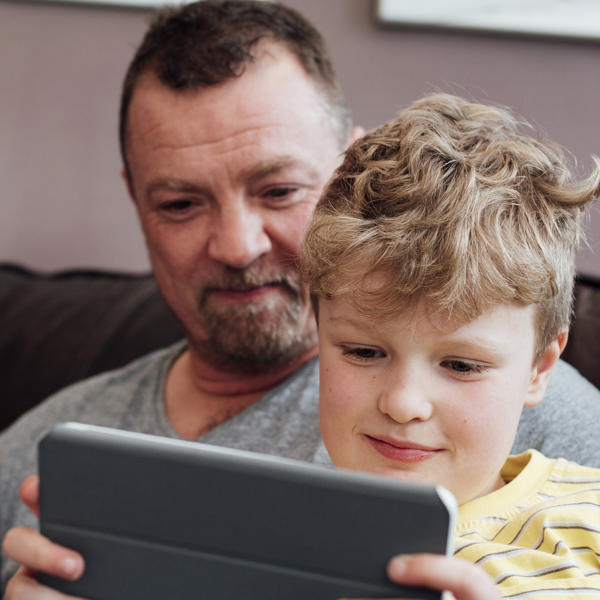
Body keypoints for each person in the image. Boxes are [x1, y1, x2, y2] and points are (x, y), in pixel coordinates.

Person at [0, 0, 599, 596]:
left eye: (279, 189)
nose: (237, 245)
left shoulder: (542, 428)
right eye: (180, 203)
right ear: (135, 201)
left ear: (344, 173)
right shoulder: (42, 445)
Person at [300, 92, 600, 598]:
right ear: (319, 330)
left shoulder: (588, 520)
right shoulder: (272, 531)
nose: (402, 403)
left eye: (461, 364)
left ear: (538, 368)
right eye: (363, 352)